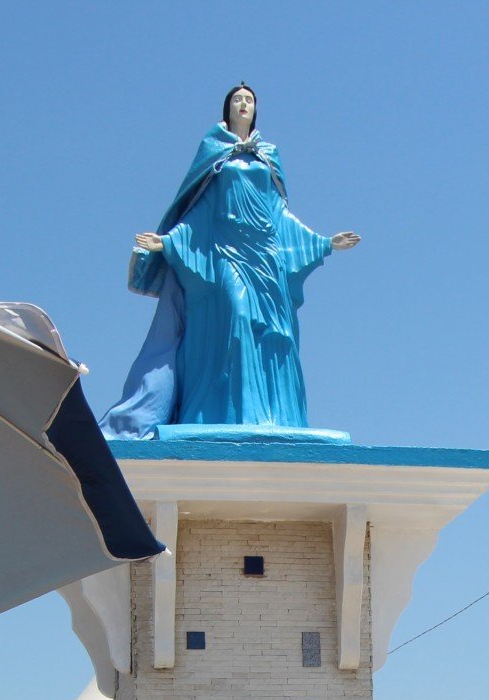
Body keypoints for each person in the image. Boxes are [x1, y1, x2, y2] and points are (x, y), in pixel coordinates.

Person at [101, 83, 361, 436]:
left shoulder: (268, 154)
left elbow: (280, 216)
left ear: (256, 110)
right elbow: (202, 212)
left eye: (249, 100)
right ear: (227, 109)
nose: (243, 104)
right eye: (238, 100)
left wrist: (325, 242)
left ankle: (270, 416)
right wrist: (166, 242)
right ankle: (226, 412)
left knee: (278, 334)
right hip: (226, 252)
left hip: (266, 258)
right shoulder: (214, 154)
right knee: (235, 316)